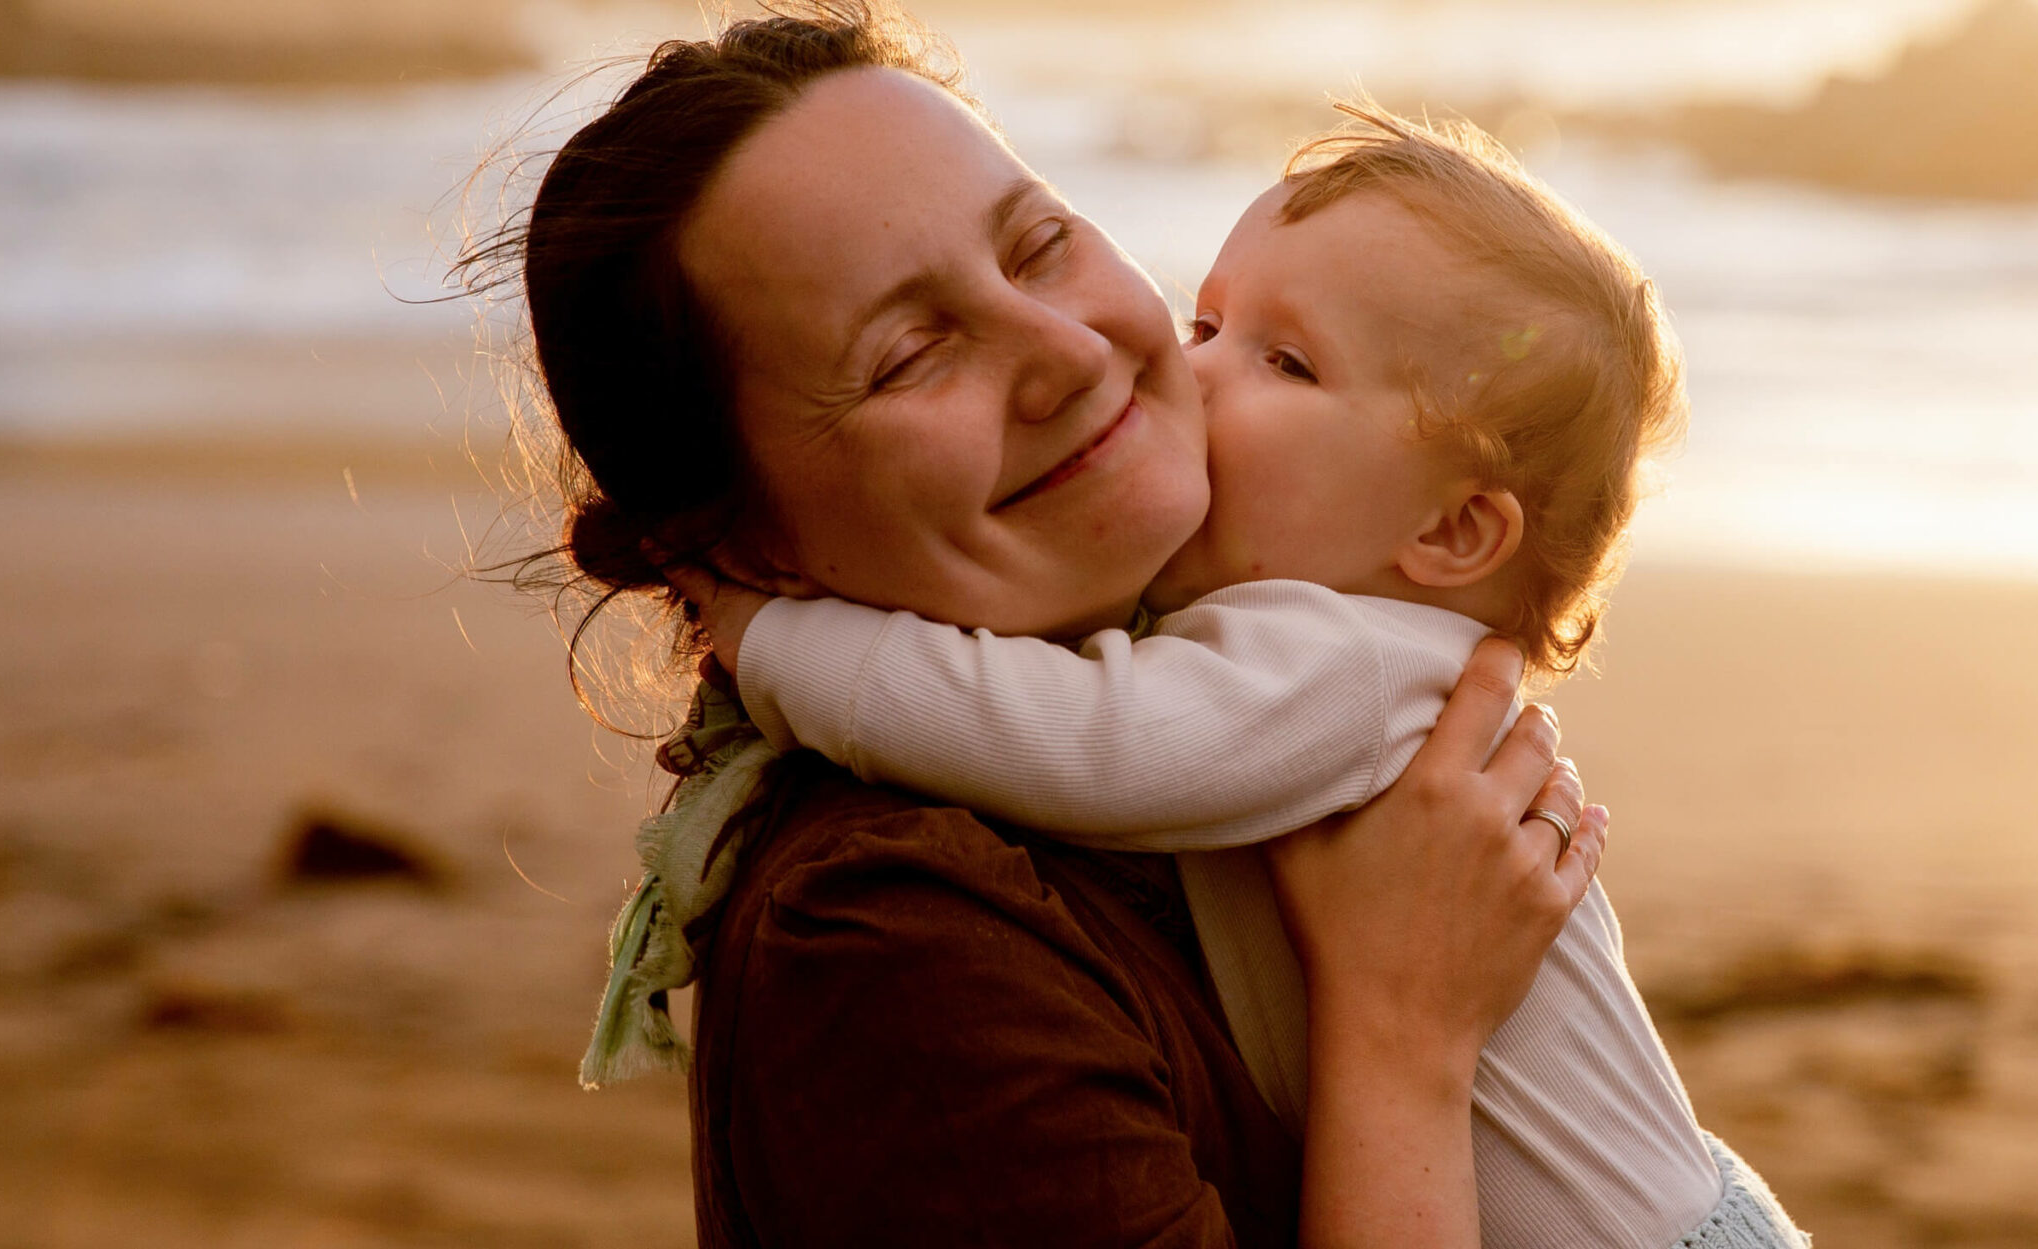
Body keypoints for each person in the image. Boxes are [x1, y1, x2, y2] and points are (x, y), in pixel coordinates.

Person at [478, 4, 1612, 1245]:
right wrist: (1401, 1044)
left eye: (1036, 247)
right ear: (739, 550)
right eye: (909, 352)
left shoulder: (1247, 703)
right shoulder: (890, 940)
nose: (1067, 351)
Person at [677, 104, 1810, 1248]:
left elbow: (1084, 742)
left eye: (1286, 360)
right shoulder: (1327, 661)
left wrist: (775, 639)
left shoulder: (1348, 665)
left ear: (1454, 531)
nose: (1188, 367)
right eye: (1208, 320)